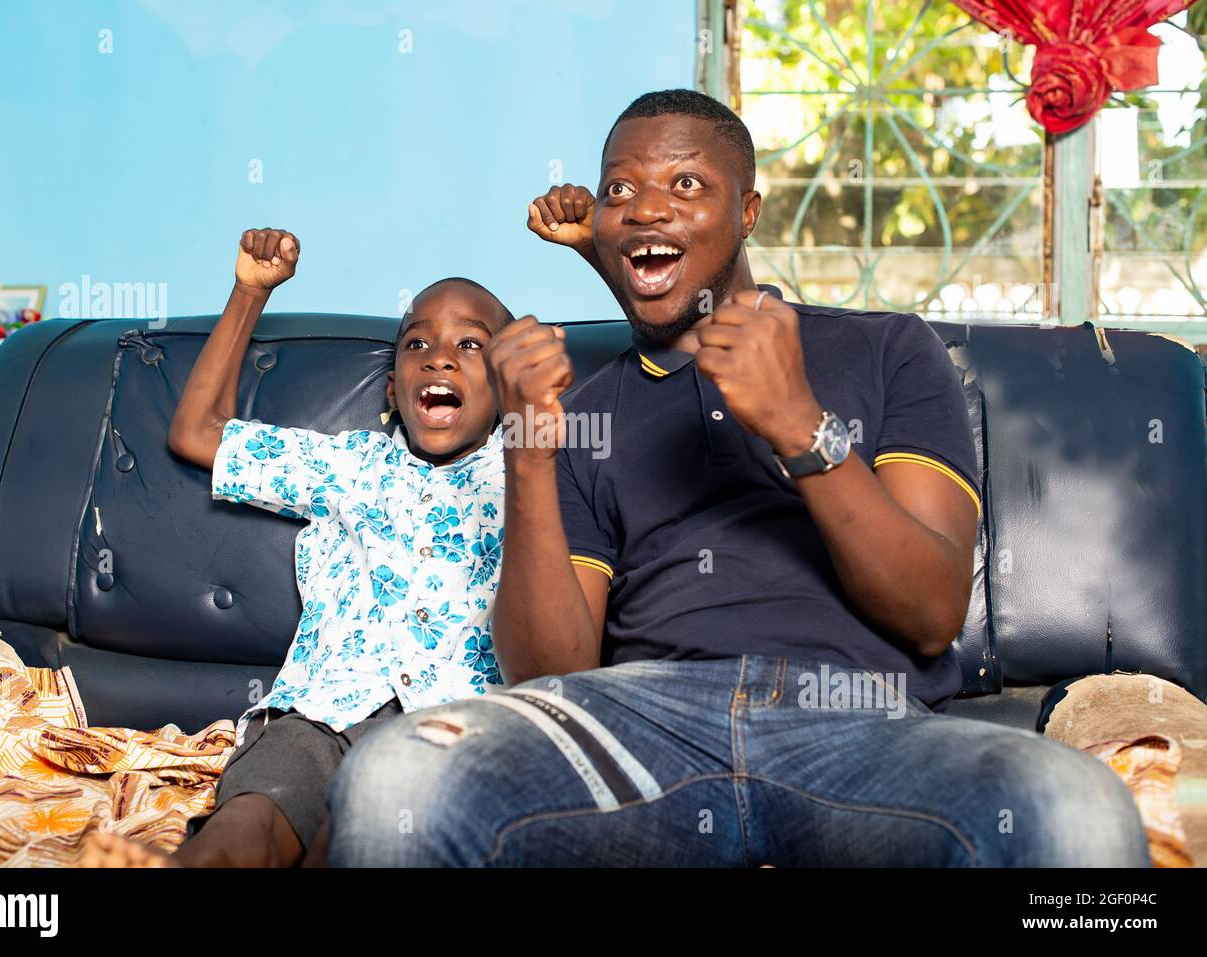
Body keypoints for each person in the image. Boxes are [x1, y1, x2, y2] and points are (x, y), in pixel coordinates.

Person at [324, 90, 1151, 867]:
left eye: (686, 182)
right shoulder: (582, 408)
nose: (645, 207)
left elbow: (931, 612)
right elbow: (548, 675)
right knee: (396, 778)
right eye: (620, 189)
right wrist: (530, 448)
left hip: (859, 719)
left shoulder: (887, 349)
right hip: (642, 720)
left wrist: (798, 426)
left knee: (1074, 807)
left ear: (747, 212)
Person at [83, 227, 515, 866]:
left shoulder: (533, 475)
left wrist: (592, 251)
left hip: (452, 731)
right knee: (255, 814)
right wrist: (249, 292)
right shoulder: (346, 464)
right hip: (320, 717)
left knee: (371, 833)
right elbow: (198, 431)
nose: (439, 357)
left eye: (471, 343)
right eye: (416, 343)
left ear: (511, 387)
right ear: (393, 392)